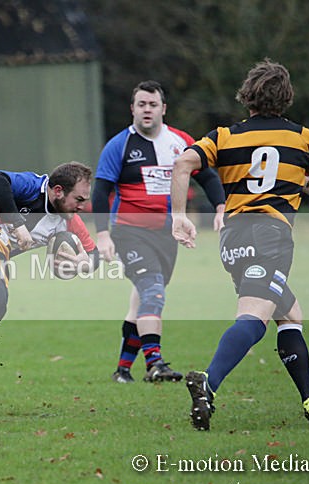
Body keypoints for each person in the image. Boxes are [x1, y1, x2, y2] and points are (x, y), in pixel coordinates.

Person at [170, 59, 309, 430]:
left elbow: (183, 164)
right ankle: (209, 382)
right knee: (254, 316)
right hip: (270, 234)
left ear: (247, 97)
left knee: (290, 314)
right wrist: (301, 183)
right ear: (286, 98)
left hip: (233, 236)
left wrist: (179, 215)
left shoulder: (225, 136)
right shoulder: (304, 138)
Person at [92, 80, 225, 384]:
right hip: (129, 232)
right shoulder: (119, 145)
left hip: (168, 235)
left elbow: (207, 176)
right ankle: (155, 363)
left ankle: (123, 369)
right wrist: (103, 234)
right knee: (152, 289)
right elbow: (101, 192)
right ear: (132, 109)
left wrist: (220, 207)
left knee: (141, 299)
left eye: (152, 104)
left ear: (163, 109)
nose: (147, 110)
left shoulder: (180, 141)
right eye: (141, 104)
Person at [0, 162, 99, 272]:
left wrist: (85, 264)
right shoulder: (34, 187)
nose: (82, 207)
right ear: (58, 191)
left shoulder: (70, 220)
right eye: (78, 200)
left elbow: (94, 256)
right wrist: (18, 223)